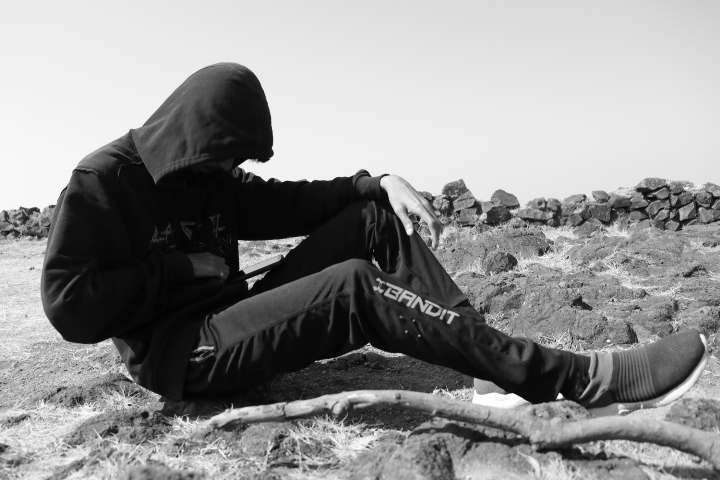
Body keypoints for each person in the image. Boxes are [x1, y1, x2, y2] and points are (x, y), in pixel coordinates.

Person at [41, 63, 708, 417]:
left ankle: (489, 367)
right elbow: (69, 306)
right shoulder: (103, 182)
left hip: (231, 315)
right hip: (181, 355)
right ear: (194, 134)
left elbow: (293, 200)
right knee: (354, 287)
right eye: (226, 156)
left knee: (373, 219)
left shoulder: (208, 175)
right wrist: (178, 270)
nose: (230, 170)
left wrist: (377, 181)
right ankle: (579, 379)